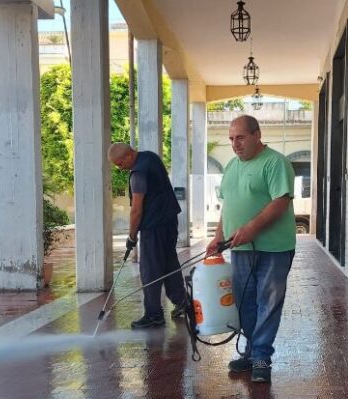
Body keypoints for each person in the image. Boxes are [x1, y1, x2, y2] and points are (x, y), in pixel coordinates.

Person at [206, 115, 296, 384]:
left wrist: (251, 228)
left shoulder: (275, 162)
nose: (235, 144)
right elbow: (228, 205)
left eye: (241, 137)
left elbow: (280, 202)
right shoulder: (232, 166)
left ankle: (261, 358)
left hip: (274, 249)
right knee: (244, 302)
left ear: (257, 135)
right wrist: (218, 237)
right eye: (232, 139)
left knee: (267, 303)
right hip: (239, 248)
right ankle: (250, 351)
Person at [109, 143, 190, 329]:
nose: (120, 168)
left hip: (154, 227)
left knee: (150, 270)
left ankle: (153, 315)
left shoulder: (138, 173)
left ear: (129, 155)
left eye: (120, 163)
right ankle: (183, 302)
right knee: (169, 264)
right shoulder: (151, 157)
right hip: (169, 222)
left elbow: (136, 209)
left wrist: (131, 236)